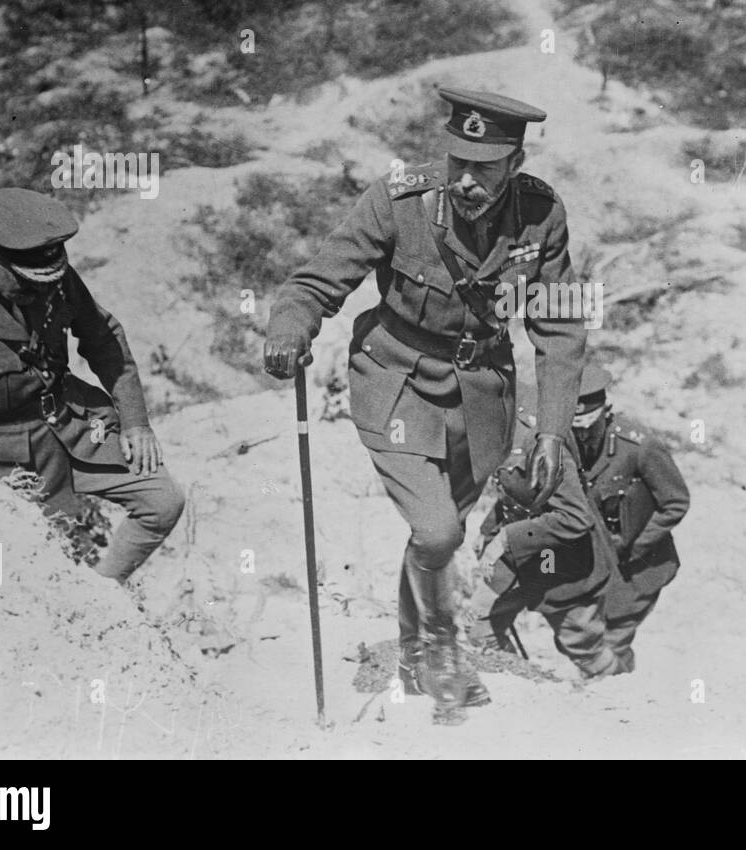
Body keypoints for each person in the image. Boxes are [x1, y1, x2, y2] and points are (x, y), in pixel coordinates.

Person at [263, 87, 588, 723]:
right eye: (457, 162)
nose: (467, 179)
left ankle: (412, 656)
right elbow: (317, 281)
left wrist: (551, 432)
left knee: (442, 532)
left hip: (481, 395)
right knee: (437, 529)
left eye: (485, 167)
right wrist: (289, 325)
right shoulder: (399, 199)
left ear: (514, 163)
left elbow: (561, 328)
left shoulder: (541, 214)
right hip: (397, 380)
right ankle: (441, 654)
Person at [0, 188, 184, 582]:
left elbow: (103, 337)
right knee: (39, 562)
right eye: (31, 286)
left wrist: (135, 421)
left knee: (162, 501)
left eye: (51, 282)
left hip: (69, 428)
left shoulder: (49, 277)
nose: (46, 292)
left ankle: (102, 594)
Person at [467, 402, 620, 680]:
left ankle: (624, 700)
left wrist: (505, 538)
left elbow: (574, 517)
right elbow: (512, 493)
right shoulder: (491, 430)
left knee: (583, 650)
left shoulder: (541, 440)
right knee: (480, 627)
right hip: (520, 557)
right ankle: (519, 689)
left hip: (562, 562)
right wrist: (487, 529)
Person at [571, 363, 689, 674]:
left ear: (605, 411)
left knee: (612, 640)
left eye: (588, 425)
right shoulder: (565, 446)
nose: (582, 434)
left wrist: (634, 545)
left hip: (637, 568)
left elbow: (675, 502)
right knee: (588, 639)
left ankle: (613, 700)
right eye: (574, 426)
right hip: (590, 566)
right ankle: (621, 688)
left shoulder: (639, 447)